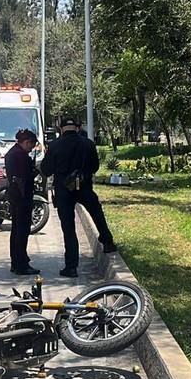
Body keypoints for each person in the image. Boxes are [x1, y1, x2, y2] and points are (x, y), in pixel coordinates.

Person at [40, 116, 116, 278]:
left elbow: (46, 170)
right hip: (84, 187)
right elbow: (95, 166)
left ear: (61, 129)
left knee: (68, 229)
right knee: (97, 213)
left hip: (63, 191)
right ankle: (108, 242)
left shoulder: (55, 145)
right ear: (77, 127)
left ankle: (71, 267)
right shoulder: (88, 144)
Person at [6, 128, 41, 275]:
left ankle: (16, 261)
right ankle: (21, 263)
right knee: (22, 231)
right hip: (22, 196)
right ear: (26, 142)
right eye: (31, 145)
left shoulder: (11, 153)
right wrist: (37, 170)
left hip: (15, 195)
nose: (31, 148)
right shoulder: (21, 156)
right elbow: (27, 175)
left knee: (16, 230)